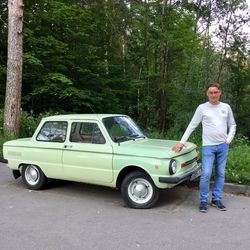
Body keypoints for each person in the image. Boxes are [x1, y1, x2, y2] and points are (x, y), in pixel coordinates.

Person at [172, 83, 236, 213]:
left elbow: (233, 125)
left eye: (216, 92)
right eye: (211, 92)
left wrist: (228, 140)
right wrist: (181, 142)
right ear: (207, 94)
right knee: (206, 173)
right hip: (208, 146)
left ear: (220, 92)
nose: (213, 95)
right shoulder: (202, 108)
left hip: (223, 146)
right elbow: (192, 125)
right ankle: (203, 201)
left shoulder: (226, 107)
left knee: (220, 173)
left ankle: (216, 199)